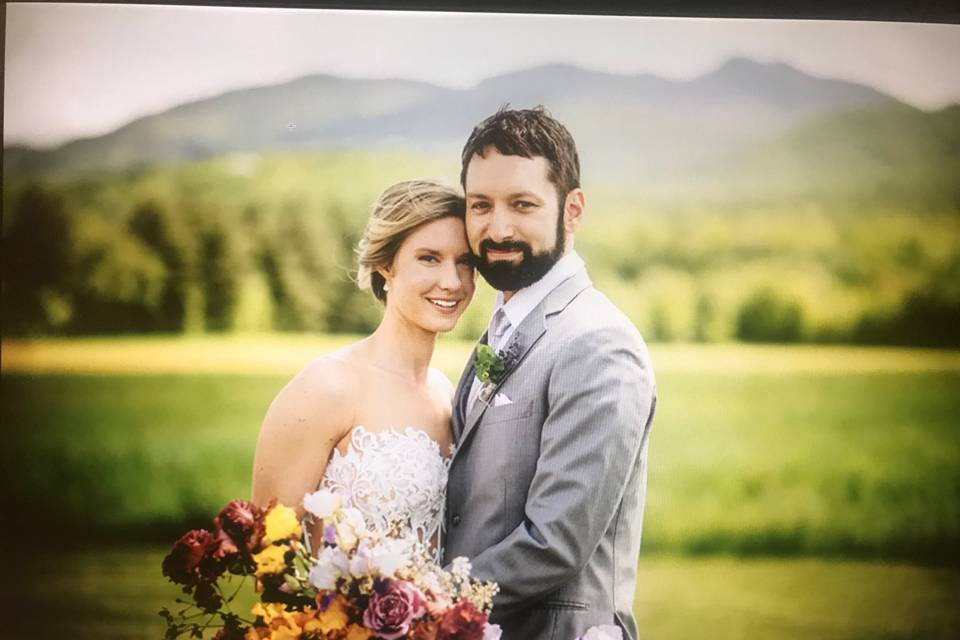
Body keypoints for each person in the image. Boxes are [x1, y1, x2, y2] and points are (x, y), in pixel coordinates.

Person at [443, 107, 657, 640]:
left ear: (573, 208)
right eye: (480, 206)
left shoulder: (596, 343)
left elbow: (554, 542)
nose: (498, 228)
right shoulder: (504, 325)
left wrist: (420, 604)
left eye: (523, 204)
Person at [251, 178, 475, 556]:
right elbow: (268, 558)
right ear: (386, 264)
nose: (451, 282)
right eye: (429, 258)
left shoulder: (447, 394)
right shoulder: (327, 386)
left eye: (465, 262)